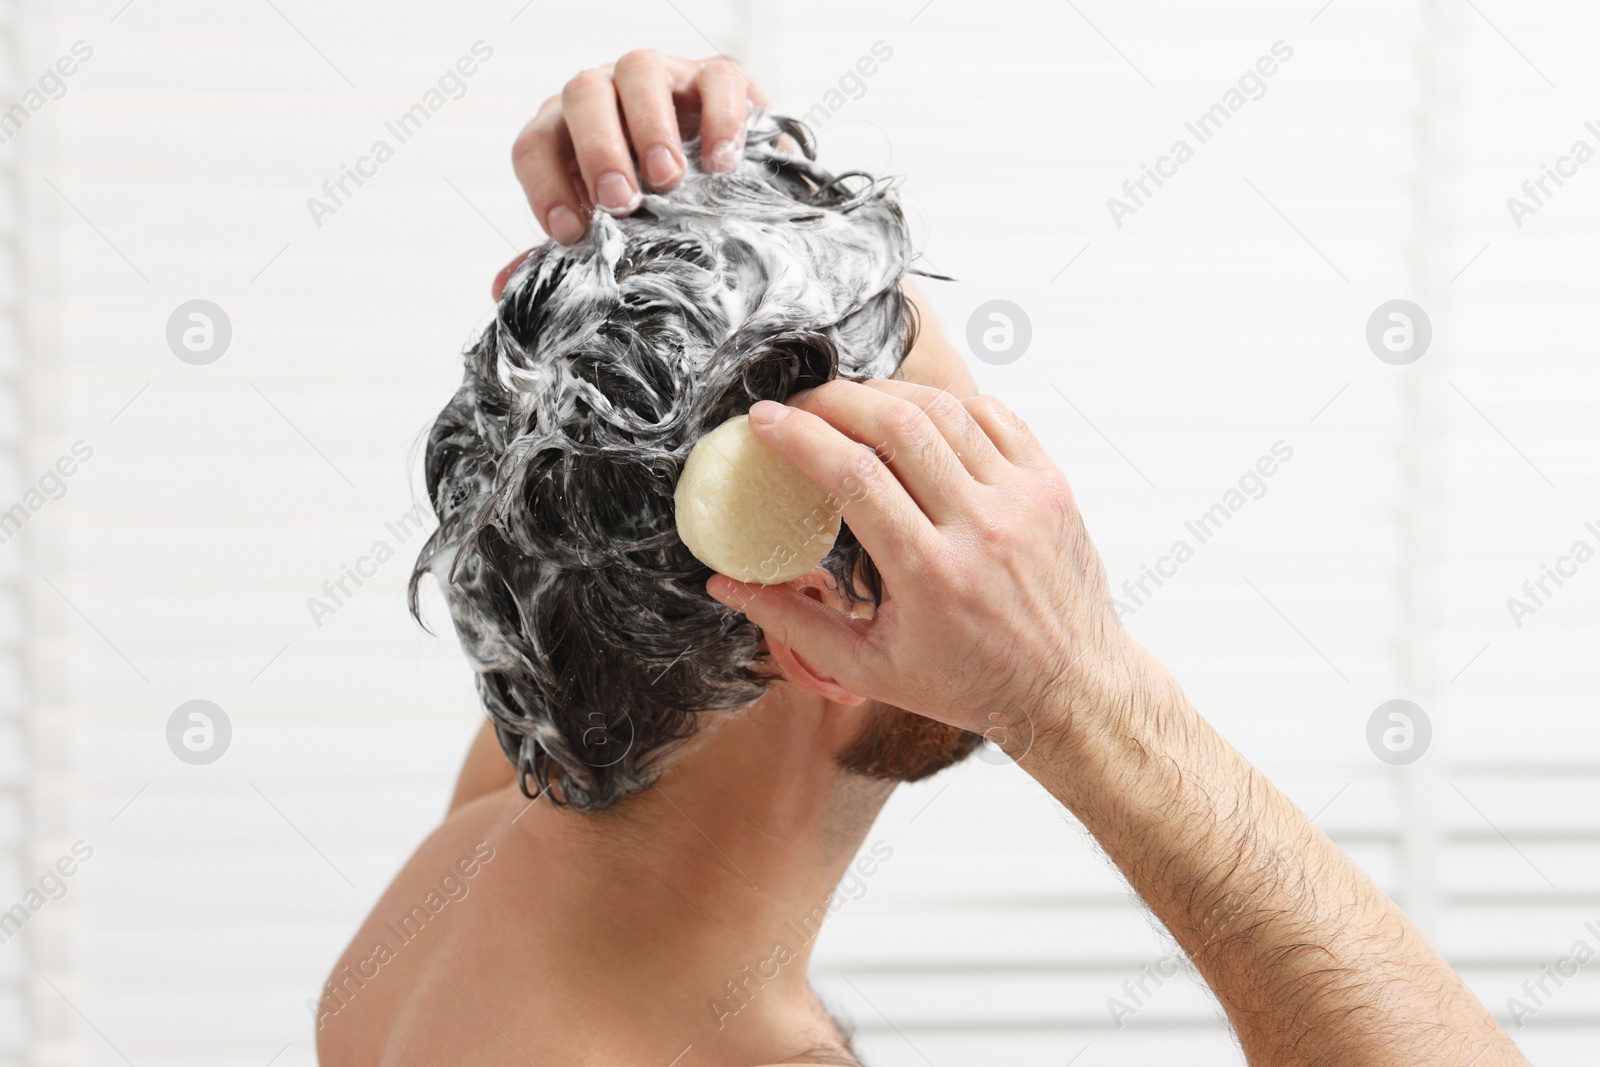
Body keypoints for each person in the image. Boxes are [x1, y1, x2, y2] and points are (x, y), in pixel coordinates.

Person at [316, 52, 1529, 1067]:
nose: (1026, 524)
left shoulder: (478, 863)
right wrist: (1083, 687)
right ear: (802, 607)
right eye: (953, 462)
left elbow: (591, 486)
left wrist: (662, 200)